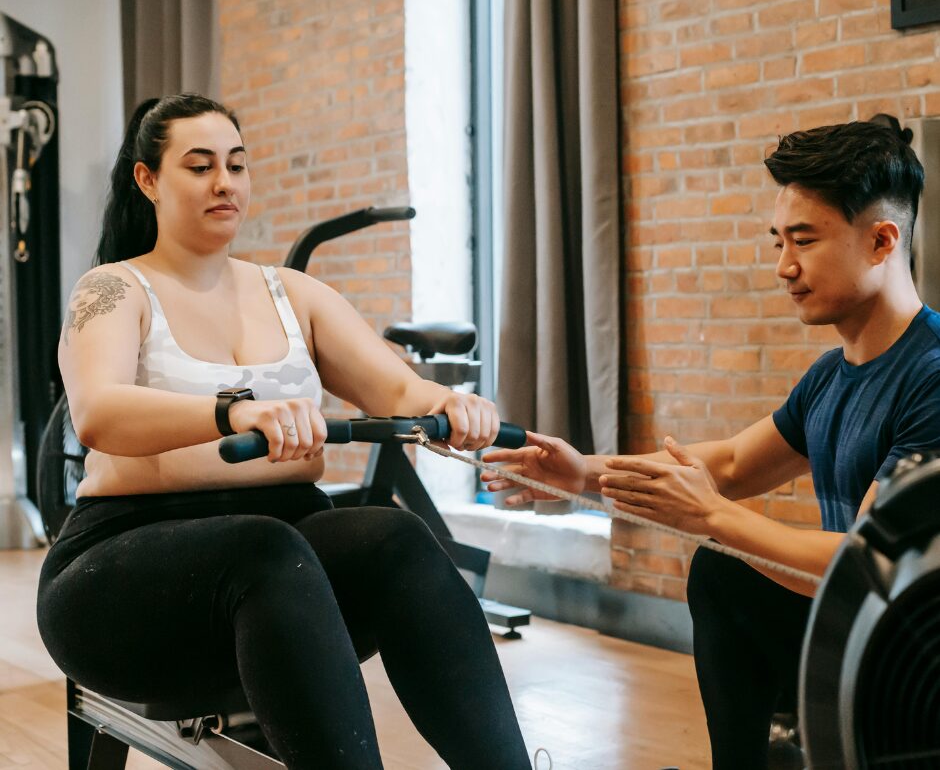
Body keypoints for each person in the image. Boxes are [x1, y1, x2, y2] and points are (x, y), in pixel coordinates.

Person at [37, 93, 534, 770]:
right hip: (125, 570)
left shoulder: (292, 293)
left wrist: (453, 404)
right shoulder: (113, 290)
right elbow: (97, 412)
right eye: (200, 165)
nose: (224, 183)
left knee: (394, 539)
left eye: (237, 166)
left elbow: (397, 389)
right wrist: (232, 410)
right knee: (265, 549)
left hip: (284, 568)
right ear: (148, 180)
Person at [483, 114, 940, 769]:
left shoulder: (931, 376)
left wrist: (713, 517)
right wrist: (580, 472)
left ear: (881, 242)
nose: (784, 266)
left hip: (915, 676)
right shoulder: (830, 379)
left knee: (724, 556)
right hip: (863, 645)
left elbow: (865, 566)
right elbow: (728, 462)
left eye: (803, 241)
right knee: (725, 574)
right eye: (778, 241)